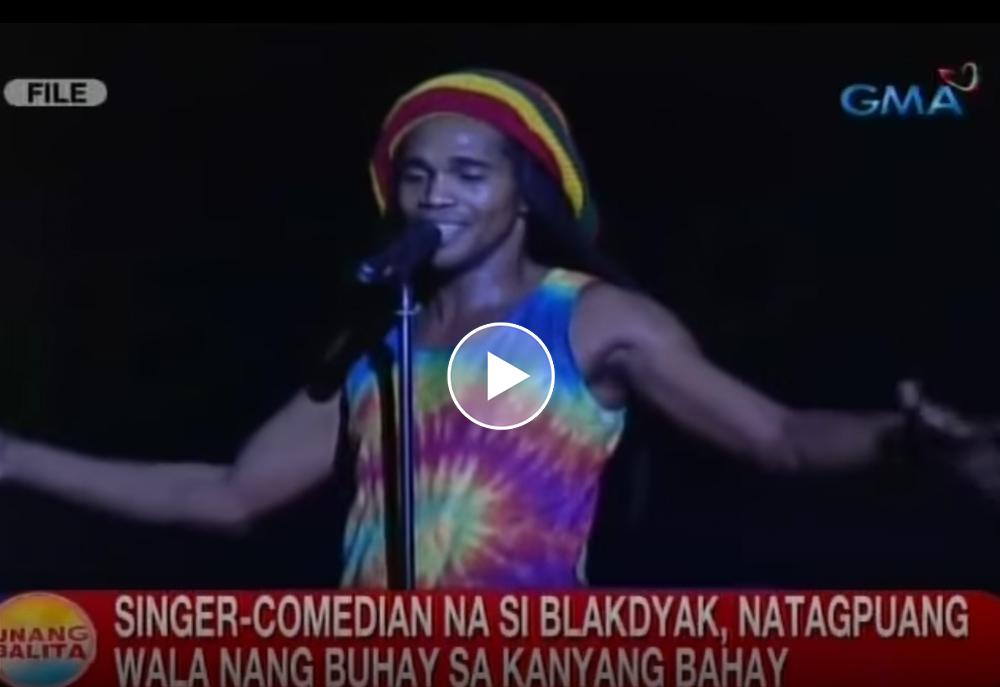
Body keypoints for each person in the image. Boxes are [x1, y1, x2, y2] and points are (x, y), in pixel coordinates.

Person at [1, 69, 998, 589]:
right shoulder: (372, 341)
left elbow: (777, 436)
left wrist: (904, 439)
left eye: (469, 174)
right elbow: (227, 496)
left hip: (528, 677)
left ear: (524, 195)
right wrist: (17, 458)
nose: (436, 195)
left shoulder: (593, 320)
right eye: (417, 176)